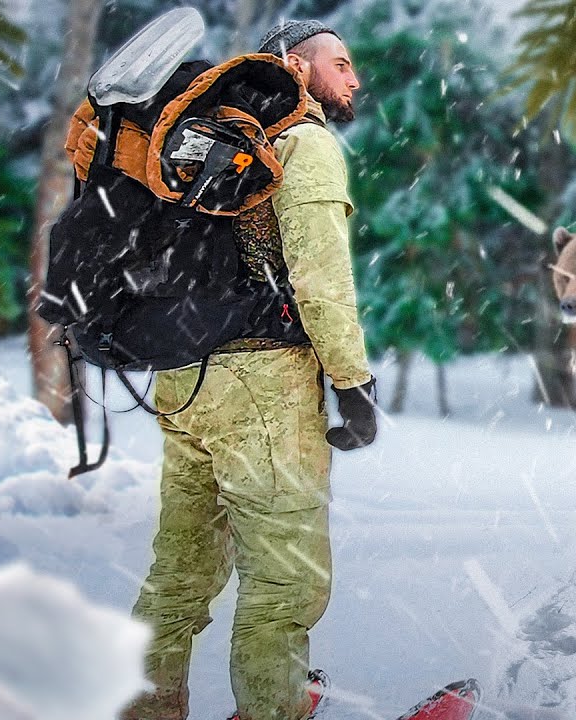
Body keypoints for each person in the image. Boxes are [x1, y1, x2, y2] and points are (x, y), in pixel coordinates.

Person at [120, 20, 377, 720]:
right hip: (263, 385)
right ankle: (271, 709)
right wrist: (352, 382)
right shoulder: (303, 143)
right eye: (341, 63)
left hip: (183, 376)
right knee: (286, 584)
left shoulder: (198, 142)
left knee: (179, 577)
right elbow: (321, 276)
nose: (354, 78)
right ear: (294, 64)